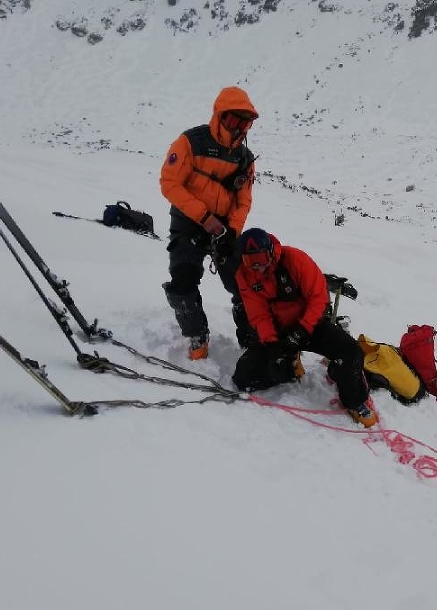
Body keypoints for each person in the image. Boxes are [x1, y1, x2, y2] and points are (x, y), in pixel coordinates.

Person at [231, 228, 378, 428]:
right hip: (279, 331)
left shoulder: (295, 259)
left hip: (310, 324)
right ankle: (291, 367)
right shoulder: (244, 276)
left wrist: (301, 331)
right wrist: (273, 345)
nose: (257, 266)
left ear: (271, 252)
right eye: (251, 261)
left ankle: (354, 400)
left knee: (350, 352)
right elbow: (259, 314)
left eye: (261, 258)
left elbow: (319, 298)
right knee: (244, 378)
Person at [159, 86, 259, 359]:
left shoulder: (245, 159)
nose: (239, 127)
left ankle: (252, 341)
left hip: (225, 229)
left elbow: (244, 201)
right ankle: (196, 336)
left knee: (243, 283)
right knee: (183, 279)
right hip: (189, 222)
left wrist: (232, 231)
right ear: (220, 115)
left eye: (244, 121)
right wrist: (204, 217)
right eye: (233, 119)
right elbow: (169, 183)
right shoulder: (190, 142)